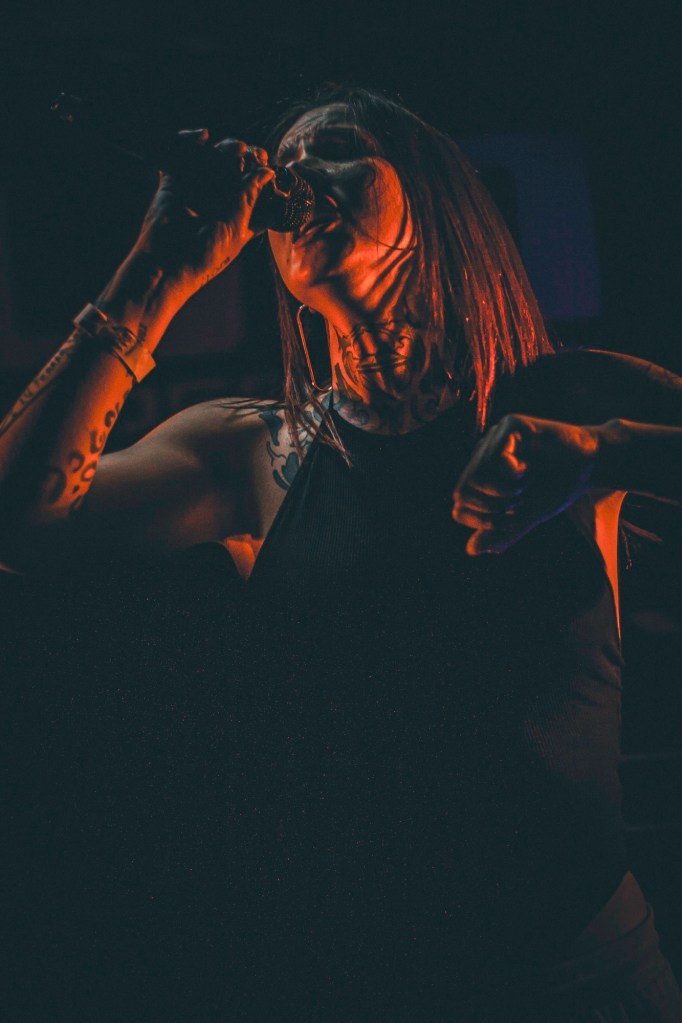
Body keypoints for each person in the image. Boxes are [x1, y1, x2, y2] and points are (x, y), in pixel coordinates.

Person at [1, 84, 681, 1020]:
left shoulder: (569, 397)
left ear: (432, 198)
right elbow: (20, 525)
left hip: (586, 974)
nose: (296, 174)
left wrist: (605, 454)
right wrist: (157, 270)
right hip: (370, 980)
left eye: (337, 149)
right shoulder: (250, 450)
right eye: (286, 161)